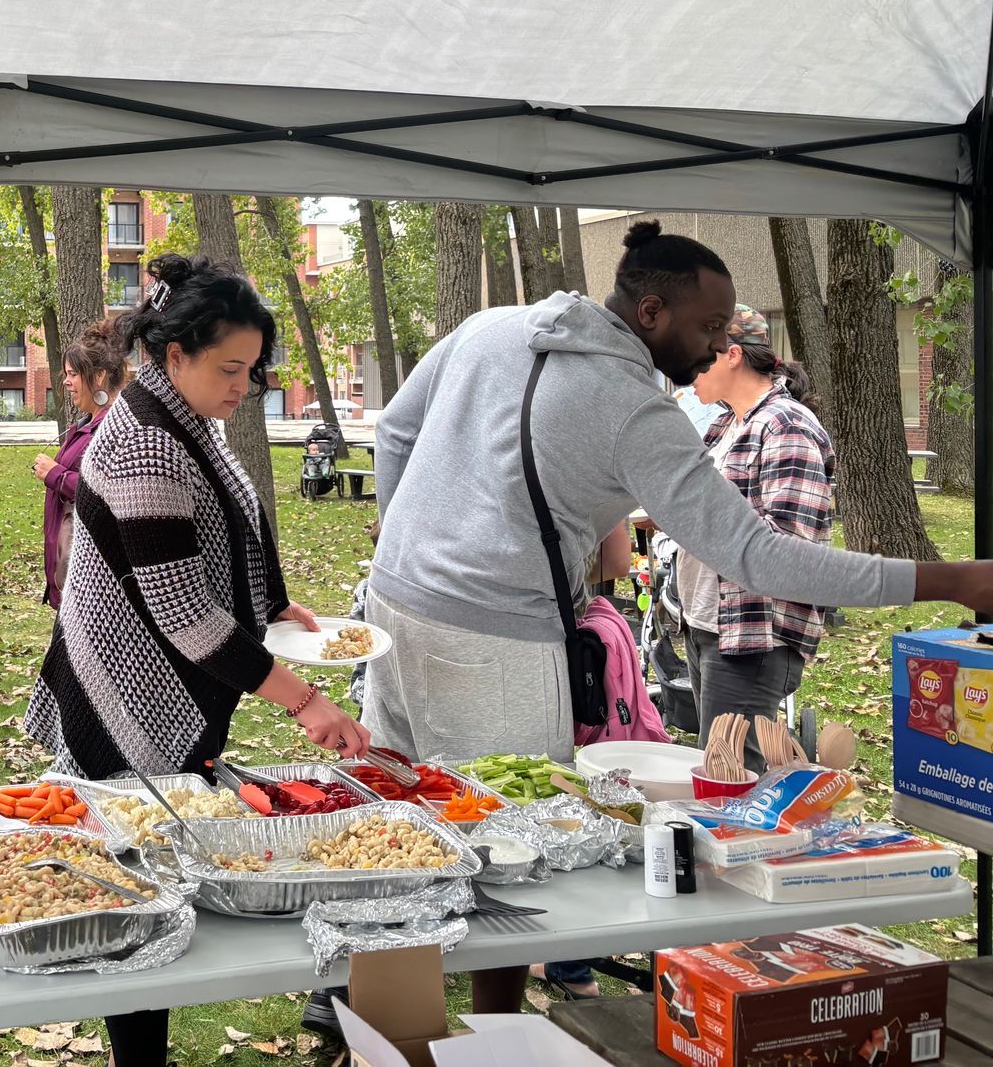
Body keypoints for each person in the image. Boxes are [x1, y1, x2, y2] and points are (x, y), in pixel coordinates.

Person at [367, 219, 993, 1013]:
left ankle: (385, 1023)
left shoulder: (490, 327)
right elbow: (758, 558)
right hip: (494, 642)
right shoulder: (635, 409)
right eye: (707, 327)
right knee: (515, 850)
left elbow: (394, 429)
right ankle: (496, 1034)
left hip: (390, 613)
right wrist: (950, 578)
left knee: (399, 833)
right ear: (652, 311)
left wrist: (408, 543)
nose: (718, 344)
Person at [26, 254, 366, 1067]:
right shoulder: (143, 443)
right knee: (136, 898)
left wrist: (271, 605)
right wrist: (304, 702)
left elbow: (223, 531)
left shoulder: (183, 420)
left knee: (156, 881)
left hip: (165, 685)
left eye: (252, 369)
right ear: (174, 354)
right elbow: (181, 611)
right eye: (230, 368)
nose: (244, 385)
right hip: (125, 694)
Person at [678, 306, 836, 771]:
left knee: (735, 783)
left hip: (754, 636)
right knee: (716, 773)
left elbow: (786, 547)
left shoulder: (785, 426)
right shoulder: (726, 425)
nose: (686, 374)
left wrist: (699, 512)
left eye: (694, 358)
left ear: (730, 355)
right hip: (708, 624)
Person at [32, 317, 128, 608]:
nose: (66, 382)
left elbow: (112, 493)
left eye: (72, 374)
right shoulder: (88, 424)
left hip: (94, 583)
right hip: (75, 576)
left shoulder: (115, 428)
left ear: (98, 377)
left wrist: (56, 475)